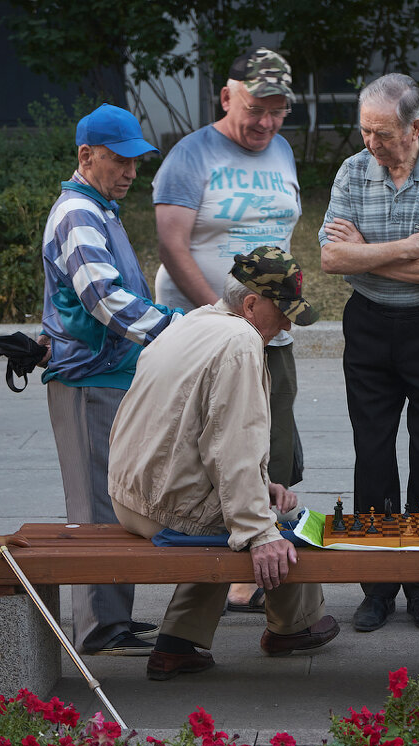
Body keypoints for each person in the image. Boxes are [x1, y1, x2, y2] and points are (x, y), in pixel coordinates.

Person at [108, 247, 339, 681]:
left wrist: (259, 484)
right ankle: (293, 628)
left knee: (242, 509)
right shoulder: (241, 341)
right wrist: (260, 530)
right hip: (165, 506)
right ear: (250, 304)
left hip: (129, 496)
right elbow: (233, 444)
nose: (288, 325)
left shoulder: (192, 322)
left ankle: (179, 645)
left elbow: (201, 440)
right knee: (283, 525)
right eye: (283, 312)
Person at [319, 73, 419, 634]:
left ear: (415, 127)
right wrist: (407, 247)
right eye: (364, 131)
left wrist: (368, 253)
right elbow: (332, 259)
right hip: (369, 326)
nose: (370, 144)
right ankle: (378, 585)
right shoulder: (352, 171)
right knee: (373, 449)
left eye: (382, 133)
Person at [153, 47, 303, 614]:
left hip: (270, 333)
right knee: (215, 451)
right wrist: (226, 321)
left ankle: (259, 571)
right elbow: (172, 244)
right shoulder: (190, 156)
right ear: (226, 96)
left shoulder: (283, 151)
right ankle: (225, 578)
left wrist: (274, 316)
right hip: (210, 334)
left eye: (278, 110)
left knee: (274, 454)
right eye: (255, 108)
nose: (266, 122)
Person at [39, 103, 182, 658]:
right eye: (119, 160)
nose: (130, 172)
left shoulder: (101, 209)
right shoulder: (78, 212)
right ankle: (100, 629)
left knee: (116, 497)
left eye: (136, 163)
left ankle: (113, 621)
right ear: (86, 155)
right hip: (87, 382)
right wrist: (179, 328)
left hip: (107, 376)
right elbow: (104, 300)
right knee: (96, 508)